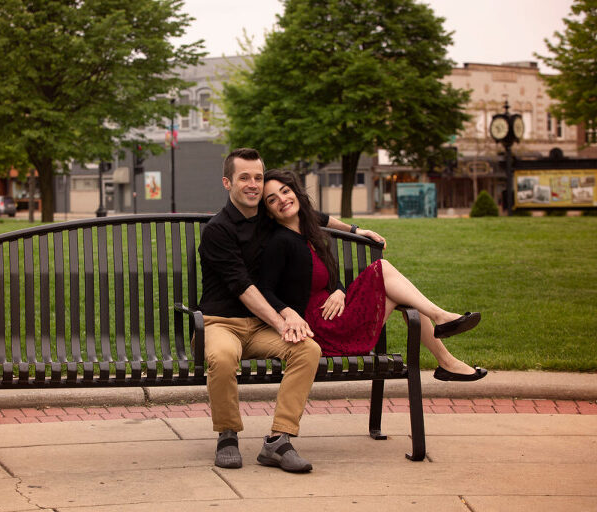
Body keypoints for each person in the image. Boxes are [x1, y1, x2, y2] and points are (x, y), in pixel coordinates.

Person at [198, 148, 381, 473]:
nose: (253, 184)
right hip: (223, 322)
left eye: (258, 177)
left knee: (308, 350)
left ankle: (279, 440)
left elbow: (315, 216)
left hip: (262, 327)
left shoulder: (269, 219)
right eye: (245, 178)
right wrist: (283, 319)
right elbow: (242, 286)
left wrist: (354, 230)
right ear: (227, 182)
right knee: (223, 358)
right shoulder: (217, 230)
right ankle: (227, 435)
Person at [257, 169, 487, 382]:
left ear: (296, 192)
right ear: (268, 211)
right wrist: (288, 315)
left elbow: (323, 221)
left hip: (335, 311)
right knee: (384, 270)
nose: (282, 200)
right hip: (323, 328)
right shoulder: (279, 242)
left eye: (285, 191)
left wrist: (340, 286)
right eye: (272, 199)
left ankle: (447, 360)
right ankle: (442, 320)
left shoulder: (307, 226)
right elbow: (265, 289)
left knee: (408, 297)